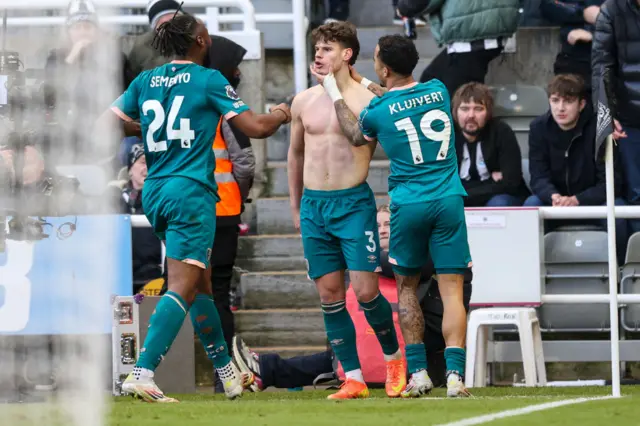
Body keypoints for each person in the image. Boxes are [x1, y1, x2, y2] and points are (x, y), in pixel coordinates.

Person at [106, 11, 291, 402]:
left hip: (155, 192)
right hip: (191, 192)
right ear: (200, 40)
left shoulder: (144, 80)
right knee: (182, 287)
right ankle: (142, 371)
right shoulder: (209, 80)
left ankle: (227, 373)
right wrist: (281, 113)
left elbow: (109, 121)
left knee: (201, 282)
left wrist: (150, 131)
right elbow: (256, 128)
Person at [316, 34, 471, 398]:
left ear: (384, 67)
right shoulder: (438, 89)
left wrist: (336, 91)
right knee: (453, 291)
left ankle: (417, 373)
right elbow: (400, 95)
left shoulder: (377, 112)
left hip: (409, 204)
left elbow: (356, 134)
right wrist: (363, 81)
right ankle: (455, 377)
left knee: (406, 289)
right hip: (449, 199)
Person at [232, 204, 473, 392]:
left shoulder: (418, 254)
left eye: (389, 224)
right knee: (340, 354)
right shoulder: (365, 267)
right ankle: (264, 370)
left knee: (345, 356)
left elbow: (416, 266)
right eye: (377, 226)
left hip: (423, 345)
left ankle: (266, 370)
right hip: (373, 340)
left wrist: (366, 259)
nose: (383, 229)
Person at [289, 21, 405, 400]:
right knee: (329, 293)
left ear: (347, 54)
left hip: (353, 203)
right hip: (313, 206)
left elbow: (389, 108)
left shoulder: (367, 100)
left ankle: (393, 360)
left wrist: (351, 84)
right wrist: (295, 206)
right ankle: (352, 377)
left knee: (367, 290)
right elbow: (295, 155)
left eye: (327, 48)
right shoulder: (303, 100)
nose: (319, 55)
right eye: (317, 49)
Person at [592, 0, 640, 207]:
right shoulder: (611, 10)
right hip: (630, 119)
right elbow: (601, 68)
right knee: (637, 194)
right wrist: (605, 116)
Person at [452, 82, 529, 207]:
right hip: (464, 199)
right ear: (455, 112)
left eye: (478, 109)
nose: (471, 115)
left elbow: (511, 183)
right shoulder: (446, 136)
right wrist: (491, 182)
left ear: (488, 113)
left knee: (499, 203)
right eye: (465, 109)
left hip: (502, 198)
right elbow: (439, 185)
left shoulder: (501, 132)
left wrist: (461, 194)